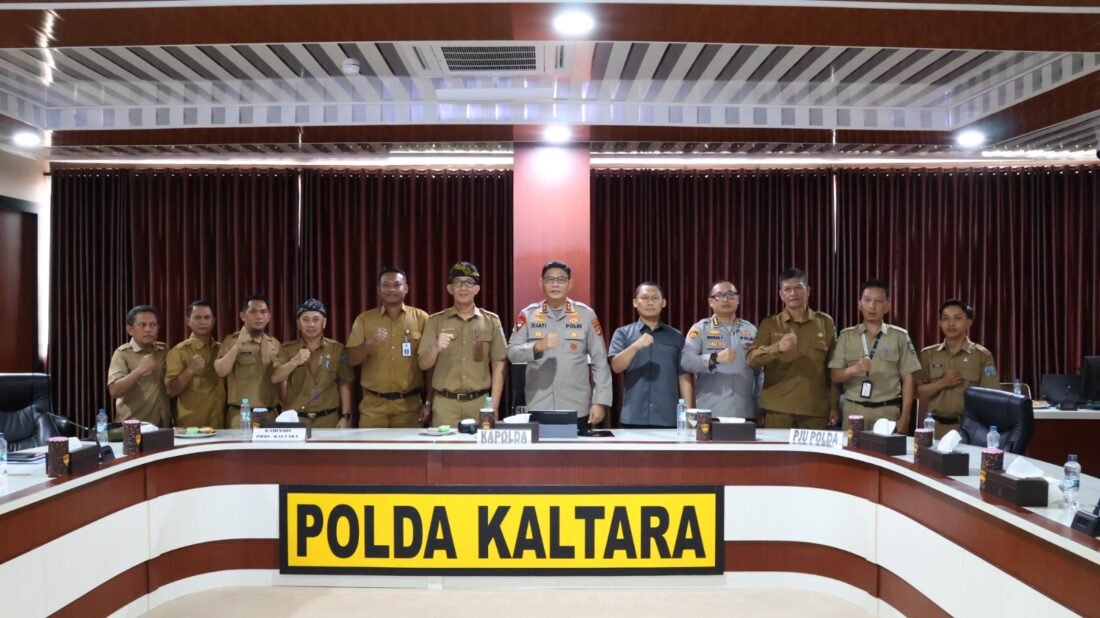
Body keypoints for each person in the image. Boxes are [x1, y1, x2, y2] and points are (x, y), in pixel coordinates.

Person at [507, 261, 612, 424]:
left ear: (570, 284)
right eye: (549, 279)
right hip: (538, 402)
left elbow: (600, 360)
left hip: (576, 404)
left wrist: (600, 401)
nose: (555, 284)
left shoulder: (586, 315)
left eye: (561, 280)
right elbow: (512, 353)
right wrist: (537, 346)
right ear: (541, 283)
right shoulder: (528, 314)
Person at [748, 268, 839, 429]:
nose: (793, 293)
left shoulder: (825, 322)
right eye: (787, 289)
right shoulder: (770, 324)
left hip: (815, 409)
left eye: (798, 288)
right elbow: (751, 359)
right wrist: (777, 348)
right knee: (777, 447)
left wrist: (834, 405)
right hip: (778, 408)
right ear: (781, 295)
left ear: (808, 291)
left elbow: (833, 368)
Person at [418, 262, 507, 427]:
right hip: (445, 405)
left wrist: (493, 406)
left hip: (480, 403)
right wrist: (436, 347)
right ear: (450, 288)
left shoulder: (491, 321)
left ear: (476, 289)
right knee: (444, 444)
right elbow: (423, 364)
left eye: (469, 283)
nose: (463, 287)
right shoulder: (436, 321)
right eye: (458, 282)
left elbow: (499, 364)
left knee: (479, 444)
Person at [829, 279, 921, 432]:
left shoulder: (899, 337)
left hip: (887, 412)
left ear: (887, 306)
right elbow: (835, 376)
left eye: (878, 301)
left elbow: (908, 379)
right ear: (860, 304)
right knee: (851, 448)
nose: (872, 306)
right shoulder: (846, 336)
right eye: (867, 300)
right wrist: (854, 369)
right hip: (853, 411)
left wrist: (905, 416)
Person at [346, 267, 431, 428]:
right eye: (386, 285)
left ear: (406, 288)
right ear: (379, 290)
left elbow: (430, 365)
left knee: (408, 446)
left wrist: (428, 402)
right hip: (373, 408)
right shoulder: (364, 319)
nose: (391, 289)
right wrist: (368, 344)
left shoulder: (422, 318)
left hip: (410, 407)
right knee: (371, 446)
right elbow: (350, 359)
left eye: (397, 285)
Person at [608, 282, 692, 428]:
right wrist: (636, 345)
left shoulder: (676, 336)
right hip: (634, 416)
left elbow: (684, 376)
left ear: (663, 302)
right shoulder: (622, 333)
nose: (650, 302)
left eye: (655, 298)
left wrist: (689, 415)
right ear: (635, 302)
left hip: (668, 417)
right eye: (645, 298)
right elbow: (616, 366)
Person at [916, 299, 1000, 438]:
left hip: (969, 429)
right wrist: (943, 382)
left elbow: (992, 396)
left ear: (969, 322)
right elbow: (918, 393)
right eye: (945, 318)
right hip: (936, 429)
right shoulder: (928, 354)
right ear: (939, 323)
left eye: (957, 318)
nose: (951, 323)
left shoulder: (982, 355)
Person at [681, 280, 760, 420]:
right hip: (711, 412)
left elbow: (760, 372)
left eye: (730, 295)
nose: (725, 299)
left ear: (738, 299)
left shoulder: (751, 330)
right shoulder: (701, 328)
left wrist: (760, 407)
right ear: (711, 302)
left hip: (745, 412)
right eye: (719, 295)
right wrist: (714, 358)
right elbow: (686, 361)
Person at [272, 299, 355, 428]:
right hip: (297, 419)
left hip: (328, 419)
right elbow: (275, 378)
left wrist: (346, 416)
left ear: (324, 322)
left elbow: (345, 382)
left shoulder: (336, 349)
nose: (311, 324)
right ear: (298, 323)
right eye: (305, 319)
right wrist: (295, 361)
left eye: (316, 319)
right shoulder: (287, 349)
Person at [214, 294, 281, 428]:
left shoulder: (274, 344)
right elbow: (221, 371)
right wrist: (238, 346)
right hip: (241, 416)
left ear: (269, 317)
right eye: (253, 311)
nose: (259, 316)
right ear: (243, 316)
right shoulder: (231, 341)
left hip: (270, 415)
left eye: (263, 312)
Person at [164, 300, 226, 428]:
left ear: (213, 321)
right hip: (190, 427)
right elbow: (170, 391)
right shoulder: (179, 351)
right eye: (197, 317)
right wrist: (190, 370)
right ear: (188, 320)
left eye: (207, 317)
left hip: (221, 425)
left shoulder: (222, 349)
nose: (203, 322)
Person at [107, 305, 171, 427]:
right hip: (133, 426)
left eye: (153, 325)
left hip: (163, 425)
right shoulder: (122, 353)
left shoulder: (164, 350)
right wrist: (140, 370)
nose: (148, 329)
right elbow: (114, 391)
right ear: (130, 329)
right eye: (142, 325)